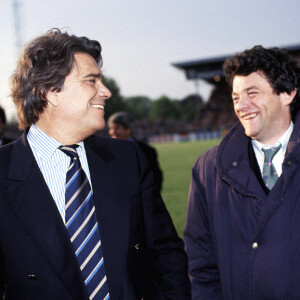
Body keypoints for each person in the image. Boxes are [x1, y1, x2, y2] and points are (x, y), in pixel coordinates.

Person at [1, 29, 191, 300]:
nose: (106, 91)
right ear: (50, 92)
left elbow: (165, 253)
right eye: (91, 81)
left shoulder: (127, 159)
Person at [184, 45, 300, 299]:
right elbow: (200, 265)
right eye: (236, 97)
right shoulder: (207, 168)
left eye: (252, 93)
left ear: (287, 94)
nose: (241, 105)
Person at [108, 112, 163, 192]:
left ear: (129, 129)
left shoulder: (147, 151)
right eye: (110, 128)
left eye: (117, 128)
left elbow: (155, 178)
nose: (112, 132)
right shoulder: (105, 150)